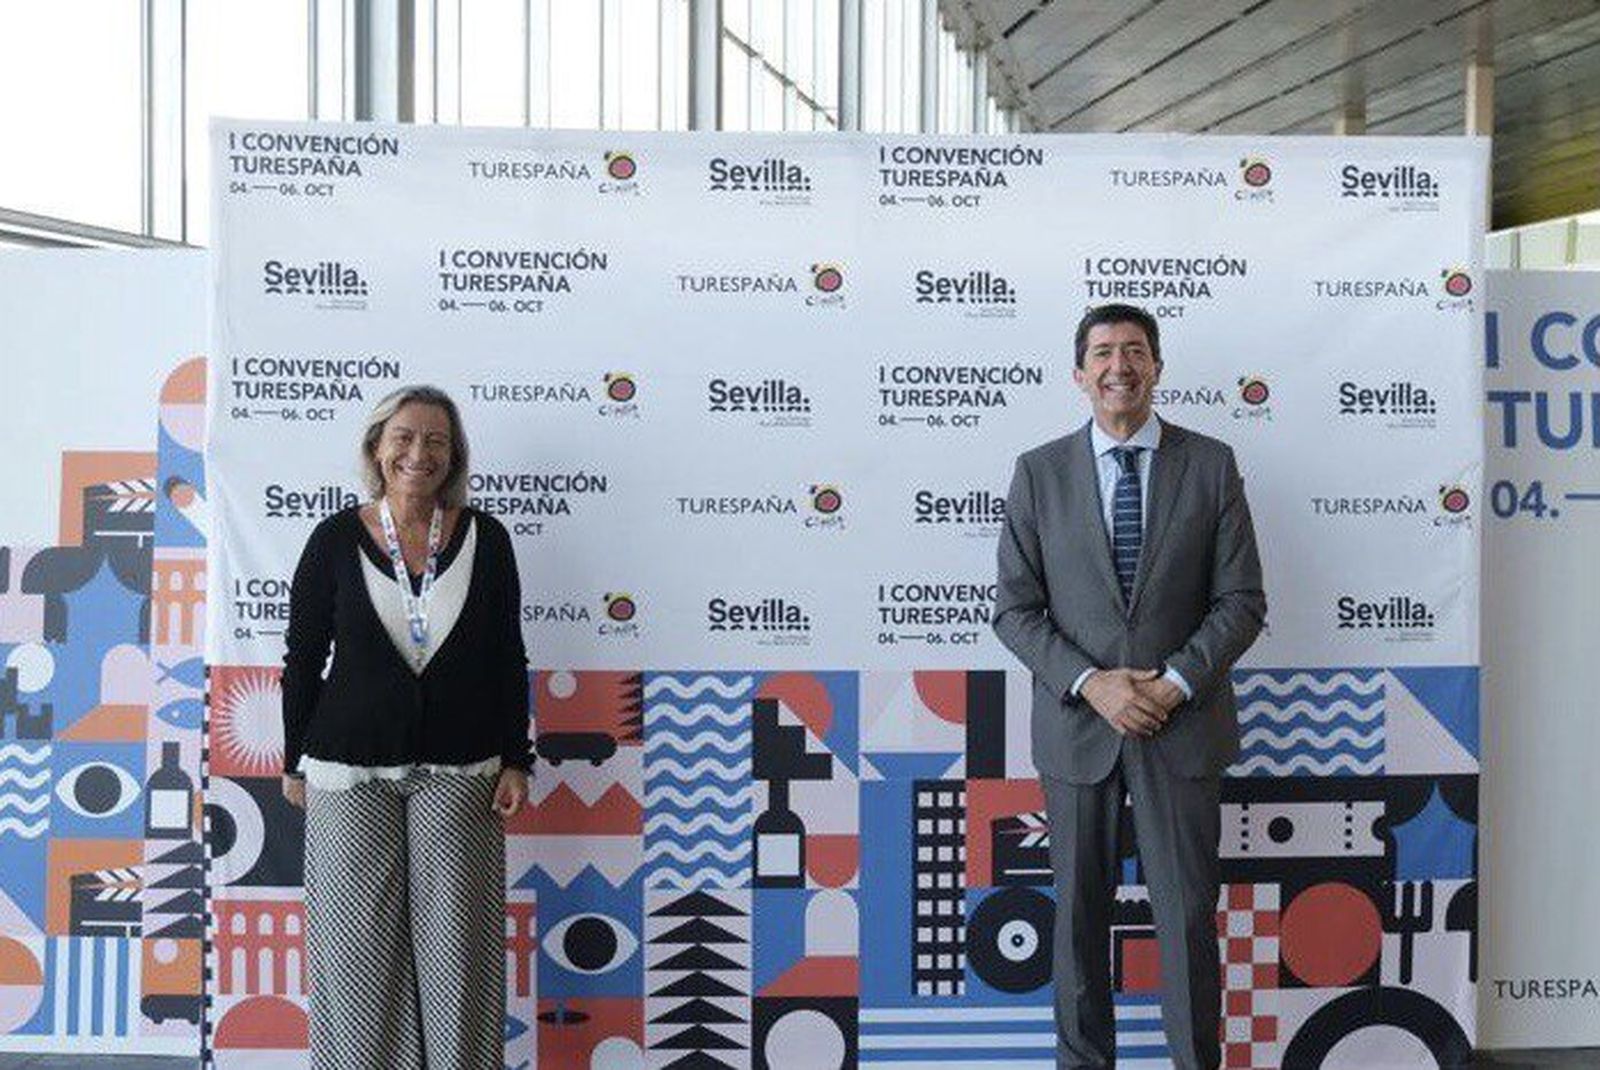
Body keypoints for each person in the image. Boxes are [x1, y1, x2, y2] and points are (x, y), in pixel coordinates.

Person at [993, 304, 1266, 1070]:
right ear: (1079, 374)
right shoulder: (1038, 473)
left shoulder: (1210, 464)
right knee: (1077, 924)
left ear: (1156, 368)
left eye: (1136, 351)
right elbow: (1013, 610)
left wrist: (1174, 685)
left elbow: (1242, 600)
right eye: (1104, 352)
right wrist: (1092, 684)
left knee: (1184, 923)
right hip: (1078, 731)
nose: (1120, 365)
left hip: (1183, 730)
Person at [280, 384, 530, 1070]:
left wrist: (518, 757)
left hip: (463, 768)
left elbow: (507, 654)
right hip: (348, 768)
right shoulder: (334, 539)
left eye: (436, 441)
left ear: (453, 457)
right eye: (405, 437)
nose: (419, 452)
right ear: (377, 448)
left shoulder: (488, 538)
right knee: (357, 952)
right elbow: (302, 658)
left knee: (460, 949)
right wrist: (293, 760)